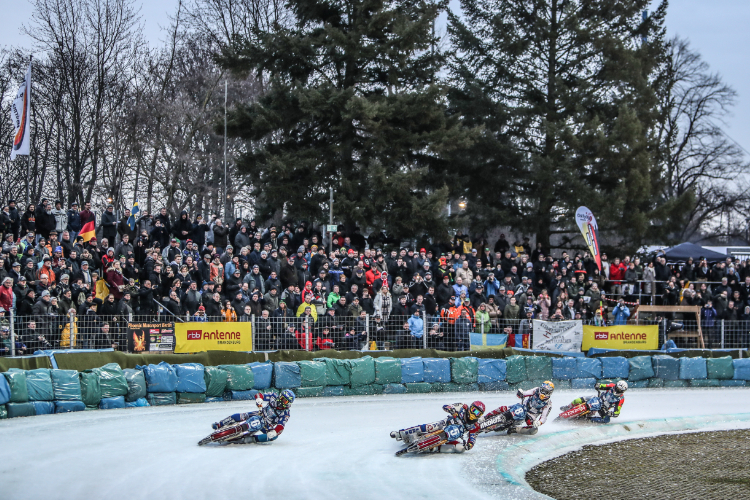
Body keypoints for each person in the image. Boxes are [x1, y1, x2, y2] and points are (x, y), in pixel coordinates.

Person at [389, 401, 485, 453]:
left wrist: (470, 444)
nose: (473, 414)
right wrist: (451, 410)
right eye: (473, 410)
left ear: (479, 415)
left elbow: (472, 437)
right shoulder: (462, 407)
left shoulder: (474, 426)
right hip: (445, 424)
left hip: (453, 435)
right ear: (470, 407)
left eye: (477, 413)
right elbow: (447, 406)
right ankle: (401, 433)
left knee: (460, 449)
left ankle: (435, 448)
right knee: (429, 426)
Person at [211, 389, 295, 444]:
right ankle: (219, 424)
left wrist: (275, 432)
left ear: (289, 403)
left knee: (273, 437)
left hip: (267, 424)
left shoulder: (286, 413)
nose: (282, 401)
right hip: (260, 413)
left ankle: (252, 439)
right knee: (239, 416)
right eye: (282, 398)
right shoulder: (273, 396)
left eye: (285, 401)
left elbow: (281, 426)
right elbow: (259, 395)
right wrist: (259, 400)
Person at [484, 381, 554, 435]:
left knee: (533, 429)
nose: (543, 394)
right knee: (504, 408)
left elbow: (544, 417)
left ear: (550, 393)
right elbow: (526, 393)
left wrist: (539, 422)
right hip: (523, 406)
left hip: (531, 415)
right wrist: (521, 393)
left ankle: (515, 429)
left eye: (546, 392)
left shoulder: (548, 404)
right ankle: (486, 417)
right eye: (542, 390)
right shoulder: (536, 390)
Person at [560, 381, 627, 424]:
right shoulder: (612, 385)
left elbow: (617, 412)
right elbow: (603, 386)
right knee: (578, 400)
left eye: (619, 390)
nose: (616, 390)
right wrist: (598, 385)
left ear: (622, 391)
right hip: (597, 398)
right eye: (617, 388)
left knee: (606, 420)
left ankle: (587, 420)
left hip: (603, 408)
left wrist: (611, 414)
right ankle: (568, 407)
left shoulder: (621, 399)